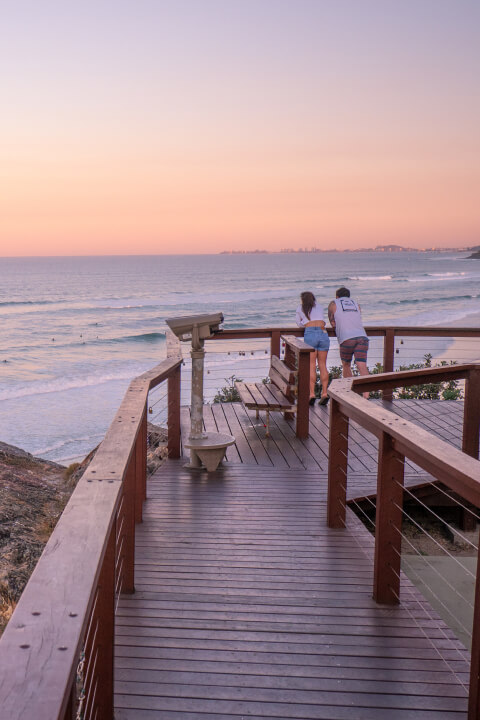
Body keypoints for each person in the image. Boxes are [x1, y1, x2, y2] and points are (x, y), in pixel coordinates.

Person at [328, 287, 369, 396]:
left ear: (337, 296)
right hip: (362, 337)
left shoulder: (333, 303)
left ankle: (350, 392)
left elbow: (332, 322)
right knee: (362, 365)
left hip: (346, 338)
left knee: (346, 365)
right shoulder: (356, 304)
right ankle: (366, 394)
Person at [295, 291, 330, 405]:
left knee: (311, 366)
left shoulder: (300, 308)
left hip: (310, 333)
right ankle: (324, 393)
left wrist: (305, 323)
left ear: (303, 300)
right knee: (323, 365)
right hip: (323, 332)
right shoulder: (319, 307)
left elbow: (298, 323)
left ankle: (312, 394)